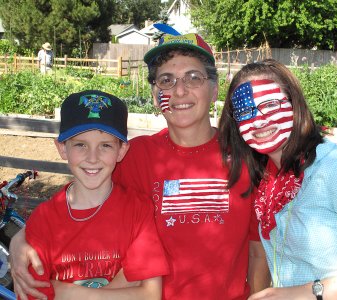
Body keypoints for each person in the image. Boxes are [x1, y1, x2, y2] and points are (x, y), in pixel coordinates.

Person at [10, 33, 269, 300]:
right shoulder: (135, 155)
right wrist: (23, 238)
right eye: (166, 80)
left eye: (194, 77)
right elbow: (81, 192)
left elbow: (257, 249)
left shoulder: (245, 157)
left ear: (214, 89)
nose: (179, 91)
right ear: (156, 96)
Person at [218, 59, 337, 299]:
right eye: (245, 111)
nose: (259, 120)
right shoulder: (267, 179)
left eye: (270, 104)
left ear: (295, 105)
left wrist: (308, 292)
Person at [20, 90, 169, 299]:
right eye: (80, 144)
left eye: (105, 145)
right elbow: (34, 293)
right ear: (62, 148)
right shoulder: (44, 219)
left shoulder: (138, 209)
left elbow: (151, 294)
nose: (92, 158)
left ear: (122, 150)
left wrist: (65, 291)